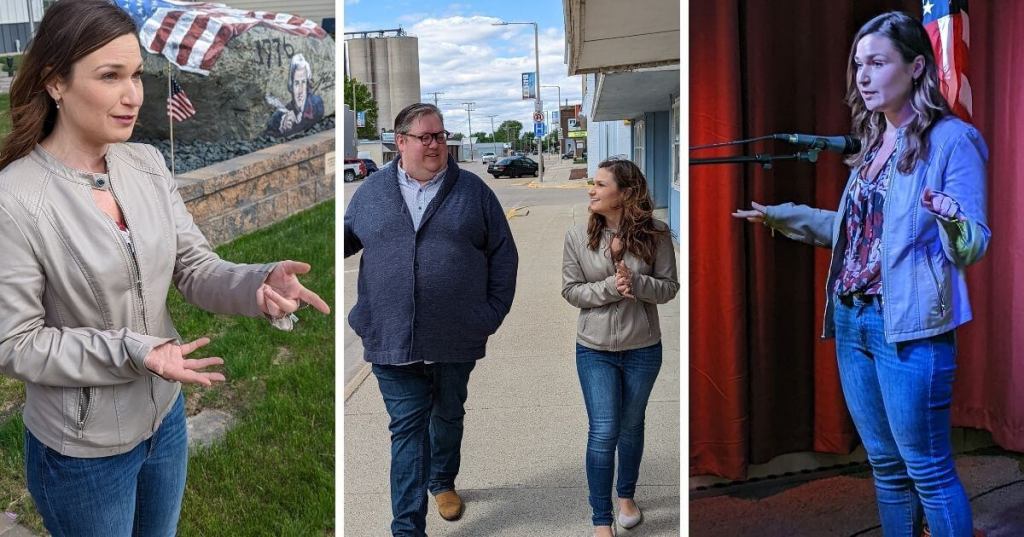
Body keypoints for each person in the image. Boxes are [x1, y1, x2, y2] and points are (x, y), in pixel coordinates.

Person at [0, 2, 330, 535]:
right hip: (82, 451)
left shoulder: (146, 164)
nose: (134, 95)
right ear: (54, 82)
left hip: (165, 421)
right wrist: (136, 349)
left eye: (136, 74)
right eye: (110, 77)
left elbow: (194, 266)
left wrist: (257, 283)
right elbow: (15, 343)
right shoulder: (13, 198)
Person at [732, 11, 988, 537]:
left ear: (917, 67)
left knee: (928, 471)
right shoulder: (875, 145)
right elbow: (860, 236)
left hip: (910, 331)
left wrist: (951, 219)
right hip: (853, 323)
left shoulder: (953, 141)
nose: (863, 76)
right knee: (887, 470)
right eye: (858, 65)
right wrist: (783, 216)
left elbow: (973, 244)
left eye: (877, 62)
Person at [344, 102, 518, 537]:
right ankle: (406, 528)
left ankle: (442, 481)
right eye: (426, 137)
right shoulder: (370, 193)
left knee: (448, 414)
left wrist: (489, 315)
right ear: (400, 142)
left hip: (455, 337)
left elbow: (504, 255)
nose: (437, 144)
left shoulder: (474, 192)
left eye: (441, 135)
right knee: (406, 431)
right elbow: (344, 242)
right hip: (390, 338)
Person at [562, 158, 679, 537]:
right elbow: (570, 290)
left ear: (626, 193)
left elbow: (669, 287)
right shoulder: (577, 236)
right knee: (604, 430)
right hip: (594, 348)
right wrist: (613, 287)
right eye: (592, 184)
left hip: (643, 347)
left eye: (600, 184)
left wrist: (638, 285)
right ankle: (601, 519)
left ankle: (626, 496)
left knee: (631, 426)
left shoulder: (657, 233)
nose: (591, 190)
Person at [267, 53, 324, 137]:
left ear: (307, 84)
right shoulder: (280, 116)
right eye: (296, 83)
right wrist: (282, 128)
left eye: (303, 82)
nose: (300, 90)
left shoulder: (317, 104)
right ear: (291, 86)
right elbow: (269, 133)